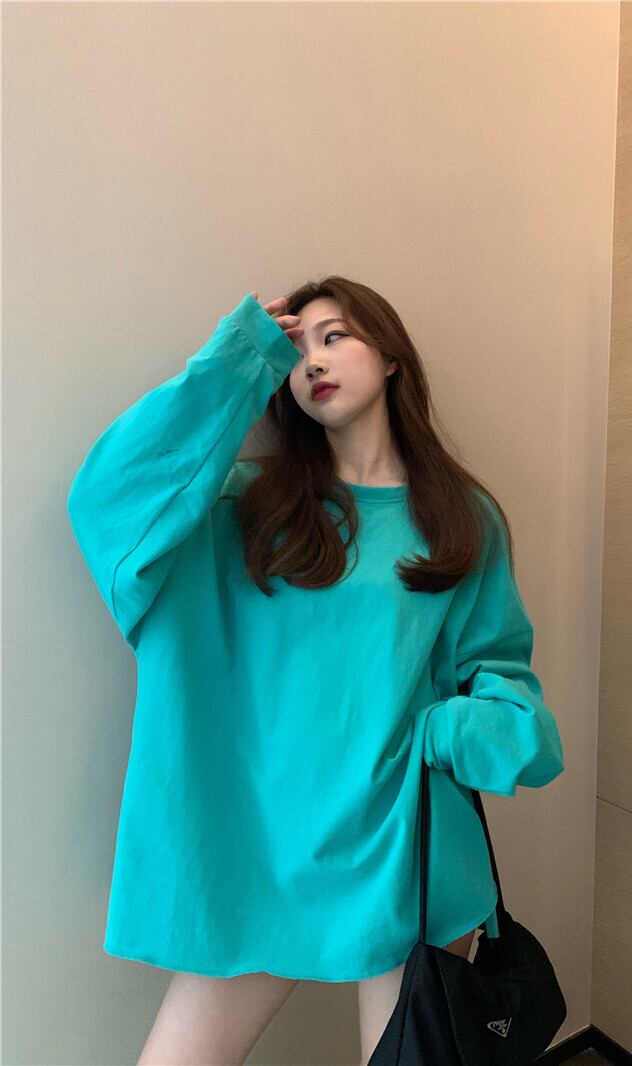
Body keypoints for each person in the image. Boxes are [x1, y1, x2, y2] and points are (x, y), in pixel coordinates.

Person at [66, 276, 565, 1065]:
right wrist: (238, 360)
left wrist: (454, 728)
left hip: (404, 844)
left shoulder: (460, 517)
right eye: (296, 350)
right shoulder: (245, 508)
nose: (314, 361)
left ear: (392, 357)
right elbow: (109, 504)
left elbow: (497, 669)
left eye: (336, 336)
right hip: (263, 844)